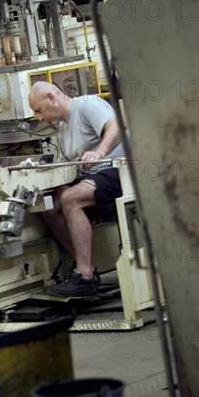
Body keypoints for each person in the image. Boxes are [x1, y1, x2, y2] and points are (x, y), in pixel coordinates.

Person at [28, 81, 127, 297]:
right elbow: (68, 165)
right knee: (48, 205)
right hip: (92, 178)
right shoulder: (63, 128)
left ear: (51, 97)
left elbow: (117, 126)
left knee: (70, 198)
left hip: (120, 171)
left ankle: (85, 276)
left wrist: (99, 152)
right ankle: (85, 268)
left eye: (39, 110)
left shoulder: (87, 105)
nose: (39, 117)